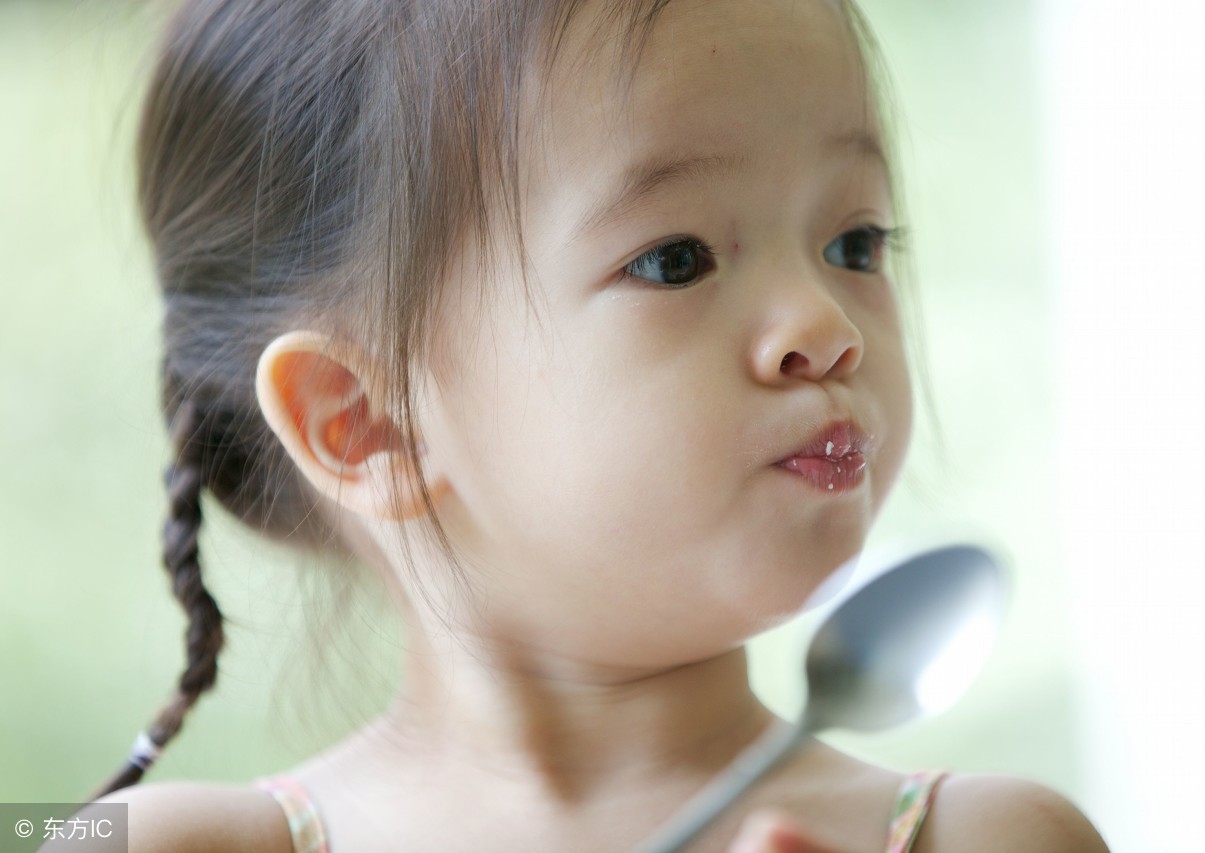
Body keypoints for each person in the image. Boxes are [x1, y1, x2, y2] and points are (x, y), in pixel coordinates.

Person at [90, 0, 1110, 849]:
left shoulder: (996, 834)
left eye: (855, 239)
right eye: (676, 259)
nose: (825, 325)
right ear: (366, 424)